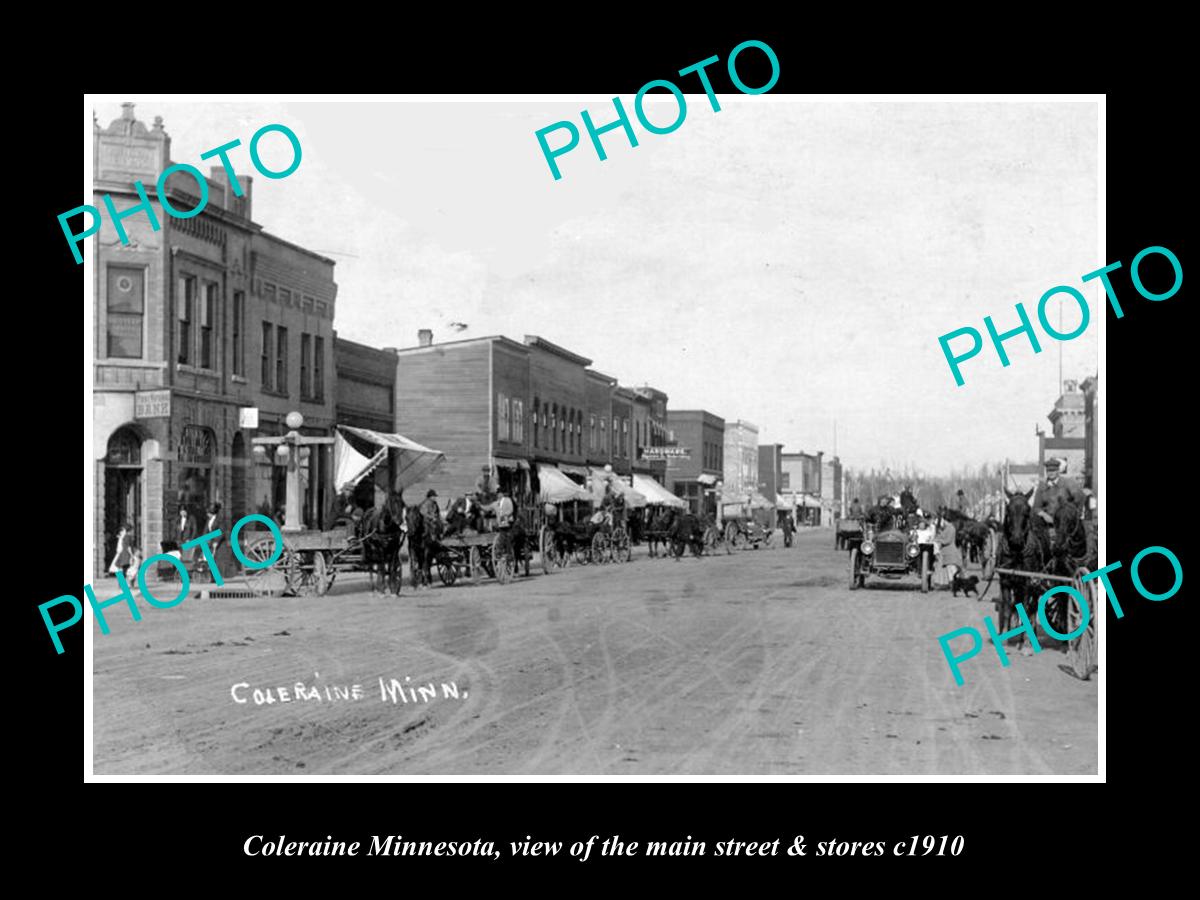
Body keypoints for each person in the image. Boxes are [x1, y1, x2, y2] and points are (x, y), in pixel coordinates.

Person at [1032, 458, 1085, 525]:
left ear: (1058, 471)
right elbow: (1036, 507)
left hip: (1066, 523)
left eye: (1053, 470)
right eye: (1048, 471)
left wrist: (1076, 514)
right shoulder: (1042, 487)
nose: (1051, 473)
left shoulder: (1067, 483)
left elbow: (1080, 497)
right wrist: (1044, 515)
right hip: (1047, 523)